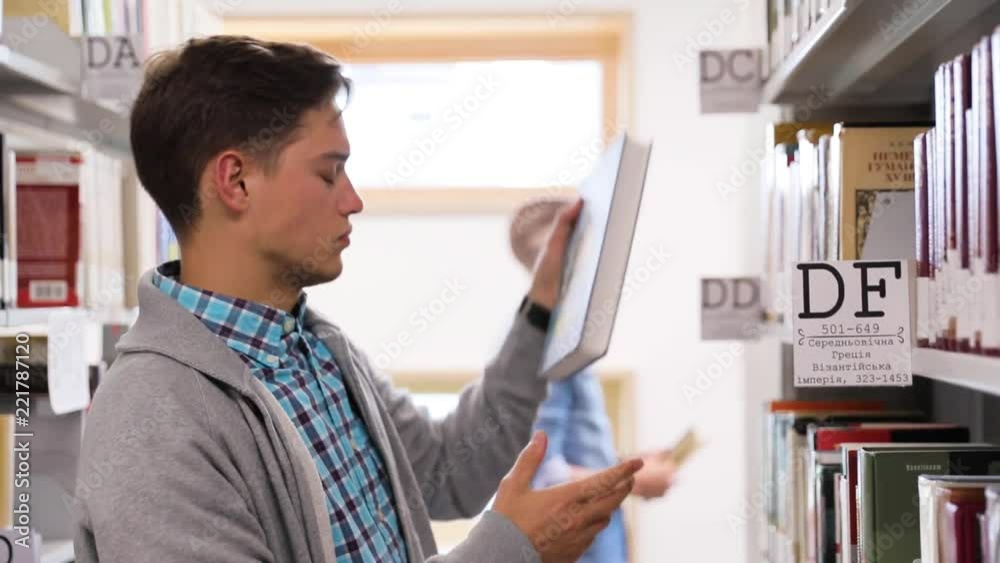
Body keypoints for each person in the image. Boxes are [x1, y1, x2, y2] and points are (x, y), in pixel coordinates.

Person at [71, 36, 643, 563]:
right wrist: (509, 548)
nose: (353, 201)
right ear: (236, 181)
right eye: (329, 173)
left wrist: (542, 306)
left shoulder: (319, 351)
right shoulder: (151, 420)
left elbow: (450, 470)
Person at [510, 198, 677, 563]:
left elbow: (567, 448)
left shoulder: (567, 340)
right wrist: (633, 479)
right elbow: (544, 475)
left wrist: (627, 463)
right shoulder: (545, 348)